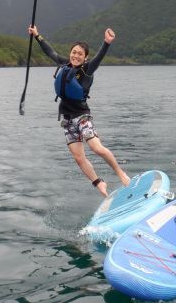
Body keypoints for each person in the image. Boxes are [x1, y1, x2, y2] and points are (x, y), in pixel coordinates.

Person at [30, 24, 130, 197]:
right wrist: (37, 35)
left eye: (80, 54)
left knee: (96, 148)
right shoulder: (64, 64)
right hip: (67, 119)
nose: (76, 55)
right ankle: (99, 183)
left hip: (82, 116)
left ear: (85, 57)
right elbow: (50, 52)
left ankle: (121, 173)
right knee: (78, 157)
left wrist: (106, 43)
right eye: (74, 52)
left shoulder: (87, 69)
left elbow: (98, 58)